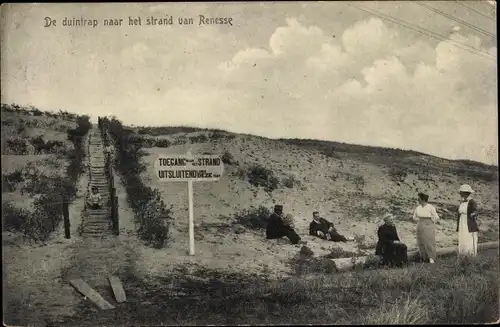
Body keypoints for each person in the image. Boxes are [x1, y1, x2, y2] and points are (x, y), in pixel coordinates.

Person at [413, 192, 440, 263]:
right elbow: (414, 217)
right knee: (420, 241)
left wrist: (431, 222)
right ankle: (424, 257)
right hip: (420, 224)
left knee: (429, 241)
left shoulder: (430, 207)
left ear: (422, 199)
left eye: (419, 198)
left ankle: (431, 258)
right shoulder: (418, 207)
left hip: (428, 224)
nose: (418, 200)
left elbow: (436, 217)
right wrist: (419, 220)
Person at [457, 184, 480, 257]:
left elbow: (476, 211)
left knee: (469, 237)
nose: (460, 193)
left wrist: (473, 214)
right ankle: (463, 254)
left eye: (461, 192)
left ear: (465, 193)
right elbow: (459, 212)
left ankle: (470, 255)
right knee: (462, 237)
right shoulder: (462, 201)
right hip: (462, 221)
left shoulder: (472, 201)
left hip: (469, 222)